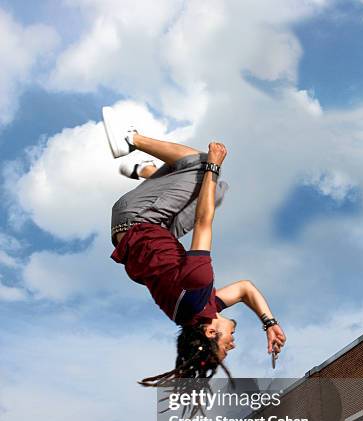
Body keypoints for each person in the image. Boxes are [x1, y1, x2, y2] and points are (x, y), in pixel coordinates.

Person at [102, 106, 286, 386]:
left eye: (226, 347)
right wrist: (270, 324)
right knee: (218, 190)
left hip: (138, 217)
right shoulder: (197, 311)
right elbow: (245, 289)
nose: (233, 347)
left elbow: (203, 221)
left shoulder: (197, 288)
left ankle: (130, 140)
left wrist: (213, 164)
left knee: (201, 168)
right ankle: (145, 171)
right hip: (152, 233)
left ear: (212, 333)